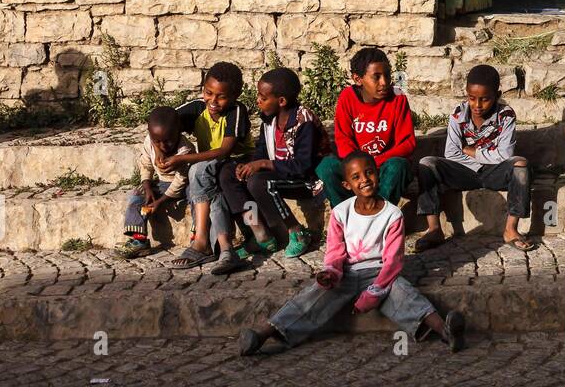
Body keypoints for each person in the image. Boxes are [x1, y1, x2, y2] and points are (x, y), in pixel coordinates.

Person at [238, 151, 465, 357]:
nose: (364, 180)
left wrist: (373, 294)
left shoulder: (393, 214)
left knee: (404, 293)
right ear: (347, 185)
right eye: (356, 177)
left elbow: (393, 261)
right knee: (312, 296)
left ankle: (445, 331)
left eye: (369, 173)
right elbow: (335, 252)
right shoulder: (341, 212)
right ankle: (264, 333)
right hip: (345, 273)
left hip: (380, 274)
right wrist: (331, 273)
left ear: (378, 174)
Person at [413, 64, 537, 253]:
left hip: (494, 172)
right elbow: (451, 154)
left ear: (497, 94)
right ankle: (434, 229)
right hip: (463, 171)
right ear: (466, 94)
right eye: (472, 98)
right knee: (427, 164)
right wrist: (482, 158)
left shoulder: (506, 116)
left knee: (521, 165)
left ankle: (511, 229)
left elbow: (506, 155)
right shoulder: (457, 115)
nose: (477, 105)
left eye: (485, 99)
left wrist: (470, 151)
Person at [219, 67, 324, 259]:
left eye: (263, 97)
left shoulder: (303, 121)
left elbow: (303, 166)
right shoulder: (269, 121)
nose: (258, 101)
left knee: (258, 182)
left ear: (281, 101)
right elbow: (262, 151)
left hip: (304, 180)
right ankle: (259, 232)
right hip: (278, 174)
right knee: (229, 174)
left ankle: (295, 230)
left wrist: (264, 164)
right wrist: (250, 165)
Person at [166, 62, 253, 274]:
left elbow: (225, 151)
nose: (213, 101)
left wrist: (184, 159)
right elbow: (163, 120)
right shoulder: (198, 108)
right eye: (208, 93)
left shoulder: (236, 111)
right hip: (209, 167)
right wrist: (162, 152)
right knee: (208, 189)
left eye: (221, 96)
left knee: (196, 171)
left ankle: (201, 241)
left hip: (237, 161)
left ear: (235, 95)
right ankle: (225, 250)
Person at [313, 47, 415, 207]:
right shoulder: (347, 97)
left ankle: (378, 215)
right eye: (377, 77)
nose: (384, 82)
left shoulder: (398, 98)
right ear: (358, 79)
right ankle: (348, 216)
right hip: (356, 168)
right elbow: (343, 141)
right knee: (326, 167)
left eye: (387, 75)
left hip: (384, 167)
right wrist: (361, 167)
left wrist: (375, 162)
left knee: (398, 166)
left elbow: (407, 143)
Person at [116, 106, 196, 259]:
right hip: (163, 183)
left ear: (178, 132)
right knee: (136, 194)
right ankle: (139, 240)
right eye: (157, 141)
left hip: (185, 185)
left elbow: (181, 179)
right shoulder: (149, 142)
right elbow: (145, 164)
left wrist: (161, 200)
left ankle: (197, 235)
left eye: (168, 141)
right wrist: (147, 186)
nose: (163, 146)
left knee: (196, 196)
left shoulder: (185, 151)